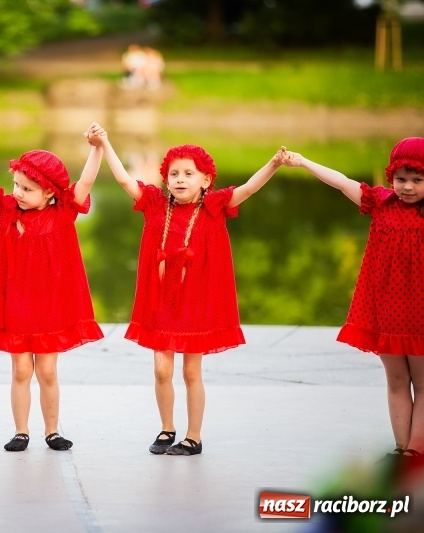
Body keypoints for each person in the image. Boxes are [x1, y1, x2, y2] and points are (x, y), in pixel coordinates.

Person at [88, 124, 285, 456]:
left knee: (192, 370)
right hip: (161, 302)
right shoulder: (155, 204)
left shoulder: (214, 207)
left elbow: (249, 188)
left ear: (206, 180)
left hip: (196, 303)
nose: (179, 179)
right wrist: (105, 143)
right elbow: (124, 180)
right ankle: (167, 428)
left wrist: (274, 164)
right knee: (161, 368)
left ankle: (194, 436)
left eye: (188, 174)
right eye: (173, 174)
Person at [0, 126, 104, 452]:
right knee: (22, 369)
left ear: (50, 193)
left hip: (51, 306)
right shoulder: (7, 211)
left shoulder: (64, 211)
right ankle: (21, 431)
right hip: (18, 304)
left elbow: (86, 181)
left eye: (28, 189)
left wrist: (97, 147)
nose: (19, 192)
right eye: (17, 185)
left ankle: (52, 431)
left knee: (49, 372)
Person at [281, 138, 424, 459]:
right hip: (386, 309)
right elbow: (342, 182)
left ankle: (417, 449)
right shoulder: (381, 203)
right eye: (401, 179)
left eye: (417, 180)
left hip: (421, 313)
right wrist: (304, 162)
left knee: (422, 380)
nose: (408, 187)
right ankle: (402, 448)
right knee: (397, 379)